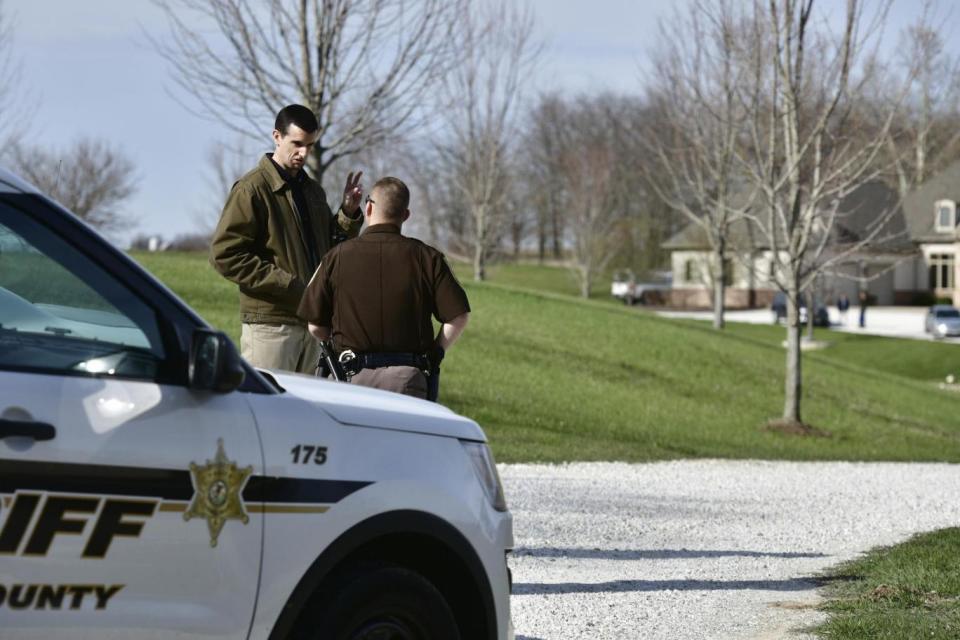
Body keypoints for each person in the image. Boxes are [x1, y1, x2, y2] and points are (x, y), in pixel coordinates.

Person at [210, 104, 364, 373]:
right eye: (297, 143)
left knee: (304, 413)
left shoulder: (313, 192)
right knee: (265, 411)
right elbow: (225, 255)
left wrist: (348, 213)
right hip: (271, 326)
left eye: (310, 146)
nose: (303, 153)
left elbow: (332, 250)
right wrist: (288, 284)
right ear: (277, 136)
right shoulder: (252, 190)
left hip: (312, 326)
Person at [297, 177, 470, 400]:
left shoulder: (336, 257)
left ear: (368, 207)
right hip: (407, 381)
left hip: (347, 380)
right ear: (406, 215)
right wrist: (436, 353)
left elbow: (314, 325)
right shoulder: (428, 257)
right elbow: (458, 316)